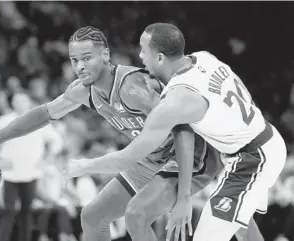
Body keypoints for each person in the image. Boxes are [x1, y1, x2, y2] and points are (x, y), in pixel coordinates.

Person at [0, 26, 261, 241]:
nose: (79, 66)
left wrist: (184, 196)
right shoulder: (83, 92)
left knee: (137, 216)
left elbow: (184, 130)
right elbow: (42, 114)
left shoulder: (134, 86)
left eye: (87, 58)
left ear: (105, 55)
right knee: (92, 216)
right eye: (74, 60)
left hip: (192, 155)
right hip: (150, 158)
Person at [64, 23, 286, 241]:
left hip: (252, 157)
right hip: (257, 139)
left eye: (143, 51)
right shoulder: (204, 58)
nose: (140, 57)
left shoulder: (176, 100)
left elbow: (127, 157)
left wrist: (85, 165)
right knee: (241, 224)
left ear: (160, 58)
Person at [0, 92, 62, 241]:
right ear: (12, 103)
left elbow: (56, 141)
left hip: (31, 173)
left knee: (27, 211)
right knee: (8, 210)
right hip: (10, 174)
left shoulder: (39, 119)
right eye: (17, 100)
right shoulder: (4, 120)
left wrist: (47, 159)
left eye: (23, 100)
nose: (20, 103)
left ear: (29, 102)